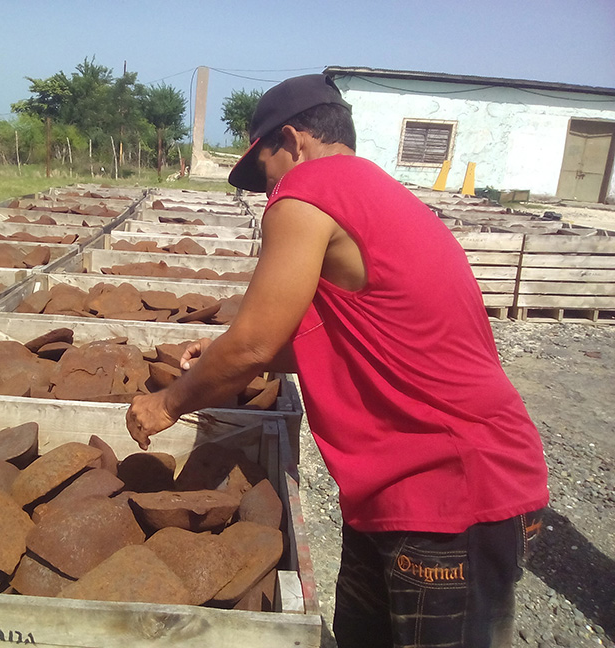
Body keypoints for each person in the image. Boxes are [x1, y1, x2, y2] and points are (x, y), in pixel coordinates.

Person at [125, 73, 548, 647]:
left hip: (452, 493)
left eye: (265, 167)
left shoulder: (310, 189)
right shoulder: (378, 194)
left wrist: (168, 403)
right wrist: (239, 356)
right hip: (400, 492)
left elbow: (251, 342)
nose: (267, 188)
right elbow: (358, 336)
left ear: (294, 142)